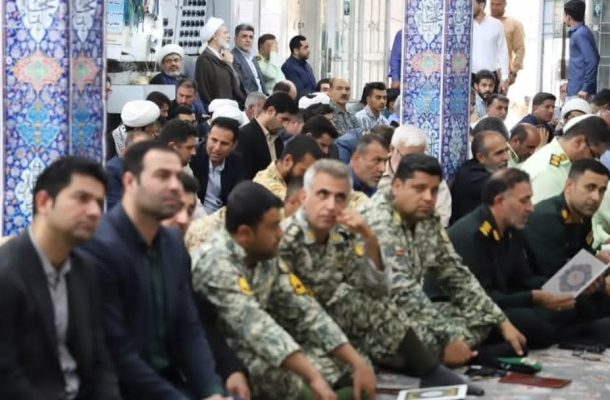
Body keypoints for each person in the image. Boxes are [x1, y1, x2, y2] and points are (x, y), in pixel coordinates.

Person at [278, 159, 485, 395]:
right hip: (289, 330)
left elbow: (376, 291)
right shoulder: (285, 240)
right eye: (322, 195)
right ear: (304, 197)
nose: (331, 205)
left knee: (373, 308)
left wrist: (369, 239)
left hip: (329, 321)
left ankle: (431, 372)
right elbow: (298, 312)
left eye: (340, 198)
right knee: (343, 378)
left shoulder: (341, 233)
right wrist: (351, 356)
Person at [191, 181, 377, 399]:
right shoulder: (216, 262)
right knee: (295, 382)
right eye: (273, 227)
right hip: (225, 359)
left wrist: (355, 361)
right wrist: (313, 377)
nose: (280, 233)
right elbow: (258, 327)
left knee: (353, 365)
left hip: (263, 345)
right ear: (244, 234)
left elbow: (304, 308)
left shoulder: (263, 254)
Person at [79, 141, 226, 400]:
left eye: (177, 176)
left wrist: (212, 391)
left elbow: (188, 328)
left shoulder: (172, 243)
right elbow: (116, 353)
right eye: (162, 175)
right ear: (130, 182)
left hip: (172, 383)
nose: (174, 186)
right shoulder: (99, 248)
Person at [362, 154, 526, 364]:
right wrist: (447, 337)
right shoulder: (378, 219)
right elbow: (401, 290)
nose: (428, 198)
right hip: (373, 318)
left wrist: (501, 321)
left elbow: (455, 273)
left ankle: (451, 353)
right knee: (426, 338)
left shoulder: (426, 218)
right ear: (397, 186)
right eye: (419, 189)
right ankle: (448, 353)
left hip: (410, 310)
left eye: (434, 190)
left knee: (481, 318)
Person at [0, 157, 122, 400]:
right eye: (82, 198)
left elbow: (100, 361)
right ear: (44, 202)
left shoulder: (84, 269)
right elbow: (7, 378)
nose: (95, 212)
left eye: (99, 203)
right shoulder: (7, 274)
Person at [449, 168, 576, 348]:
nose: (531, 208)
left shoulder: (512, 228)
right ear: (500, 201)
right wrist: (534, 297)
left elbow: (522, 280)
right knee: (535, 323)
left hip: (498, 300)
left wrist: (564, 284)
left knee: (569, 306)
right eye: (524, 201)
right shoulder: (473, 235)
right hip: (462, 308)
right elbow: (481, 296)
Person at [160, 174, 252, 400]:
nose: (183, 219)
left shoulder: (178, 254)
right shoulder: (120, 256)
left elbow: (200, 324)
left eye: (190, 210)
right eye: (174, 208)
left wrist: (231, 371)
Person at [525, 159, 610, 278]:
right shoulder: (547, 219)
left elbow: (582, 254)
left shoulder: (582, 213)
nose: (596, 197)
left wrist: (597, 259)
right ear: (569, 185)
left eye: (602, 191)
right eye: (590, 188)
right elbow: (556, 278)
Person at [520, 114, 610, 204]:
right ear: (578, 142)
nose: (594, 161)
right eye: (594, 155)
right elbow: (543, 212)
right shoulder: (549, 172)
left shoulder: (561, 161)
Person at [378, 125, 452, 226]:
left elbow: (442, 219)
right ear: (391, 149)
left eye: (419, 157)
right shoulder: (376, 173)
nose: (413, 164)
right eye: (407, 157)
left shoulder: (432, 178)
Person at [451, 129, 509, 224]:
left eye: (506, 151)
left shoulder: (480, 170)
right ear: (481, 157)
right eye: (499, 153)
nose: (506, 157)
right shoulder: (473, 178)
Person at [237, 92, 300, 179]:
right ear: (270, 111)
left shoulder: (278, 140)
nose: (285, 125)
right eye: (284, 119)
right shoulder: (244, 136)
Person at [190, 117, 242, 214]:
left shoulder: (237, 162)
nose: (217, 148)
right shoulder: (193, 157)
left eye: (224, 143)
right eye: (214, 140)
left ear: (234, 145)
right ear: (207, 136)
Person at [195, 17, 246, 107]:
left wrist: (230, 64)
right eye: (225, 33)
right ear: (215, 36)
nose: (228, 36)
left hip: (233, 107)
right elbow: (204, 91)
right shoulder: (204, 60)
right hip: (218, 110)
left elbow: (238, 83)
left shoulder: (226, 57)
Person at [253, 135, 323, 199]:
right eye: (303, 171)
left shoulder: (290, 182)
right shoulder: (266, 185)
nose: (306, 177)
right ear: (287, 160)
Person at [106, 129, 154, 210]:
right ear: (125, 153)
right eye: (139, 151)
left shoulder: (148, 171)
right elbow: (113, 207)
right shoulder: (112, 170)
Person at [564, 0, 600, 100]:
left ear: (568, 16)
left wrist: (585, 88)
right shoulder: (580, 32)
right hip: (576, 89)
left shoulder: (580, 33)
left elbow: (593, 60)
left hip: (581, 92)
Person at [472, 0, 509, 93]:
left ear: (481, 5)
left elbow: (503, 51)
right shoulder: (465, 25)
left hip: (491, 76)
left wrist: (504, 77)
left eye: (472, 4)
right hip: (471, 76)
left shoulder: (496, 24)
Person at [490, 0, 525, 86]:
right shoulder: (483, 23)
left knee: (499, 95)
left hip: (502, 73)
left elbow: (520, 49)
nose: (494, 7)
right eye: (492, 4)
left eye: (498, 4)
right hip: (482, 72)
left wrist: (514, 72)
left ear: (505, 4)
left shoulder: (514, 24)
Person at [349, 134, 390, 208]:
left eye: (385, 161)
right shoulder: (336, 186)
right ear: (357, 158)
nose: (383, 169)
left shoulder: (373, 188)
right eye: (377, 160)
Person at [232, 24, 267, 95]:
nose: (248, 40)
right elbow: (239, 88)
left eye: (251, 37)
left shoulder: (253, 58)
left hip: (262, 98)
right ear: (235, 39)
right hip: (247, 100)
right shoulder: (232, 58)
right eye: (244, 36)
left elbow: (260, 81)